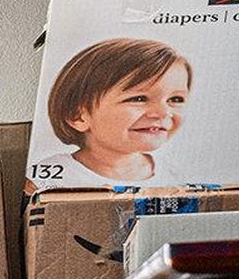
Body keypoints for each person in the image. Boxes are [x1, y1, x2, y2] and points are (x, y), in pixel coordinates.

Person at [45, 36, 191, 184]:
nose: (164, 112)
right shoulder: (48, 178)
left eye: (175, 99)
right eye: (139, 99)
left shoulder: (176, 177)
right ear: (78, 116)